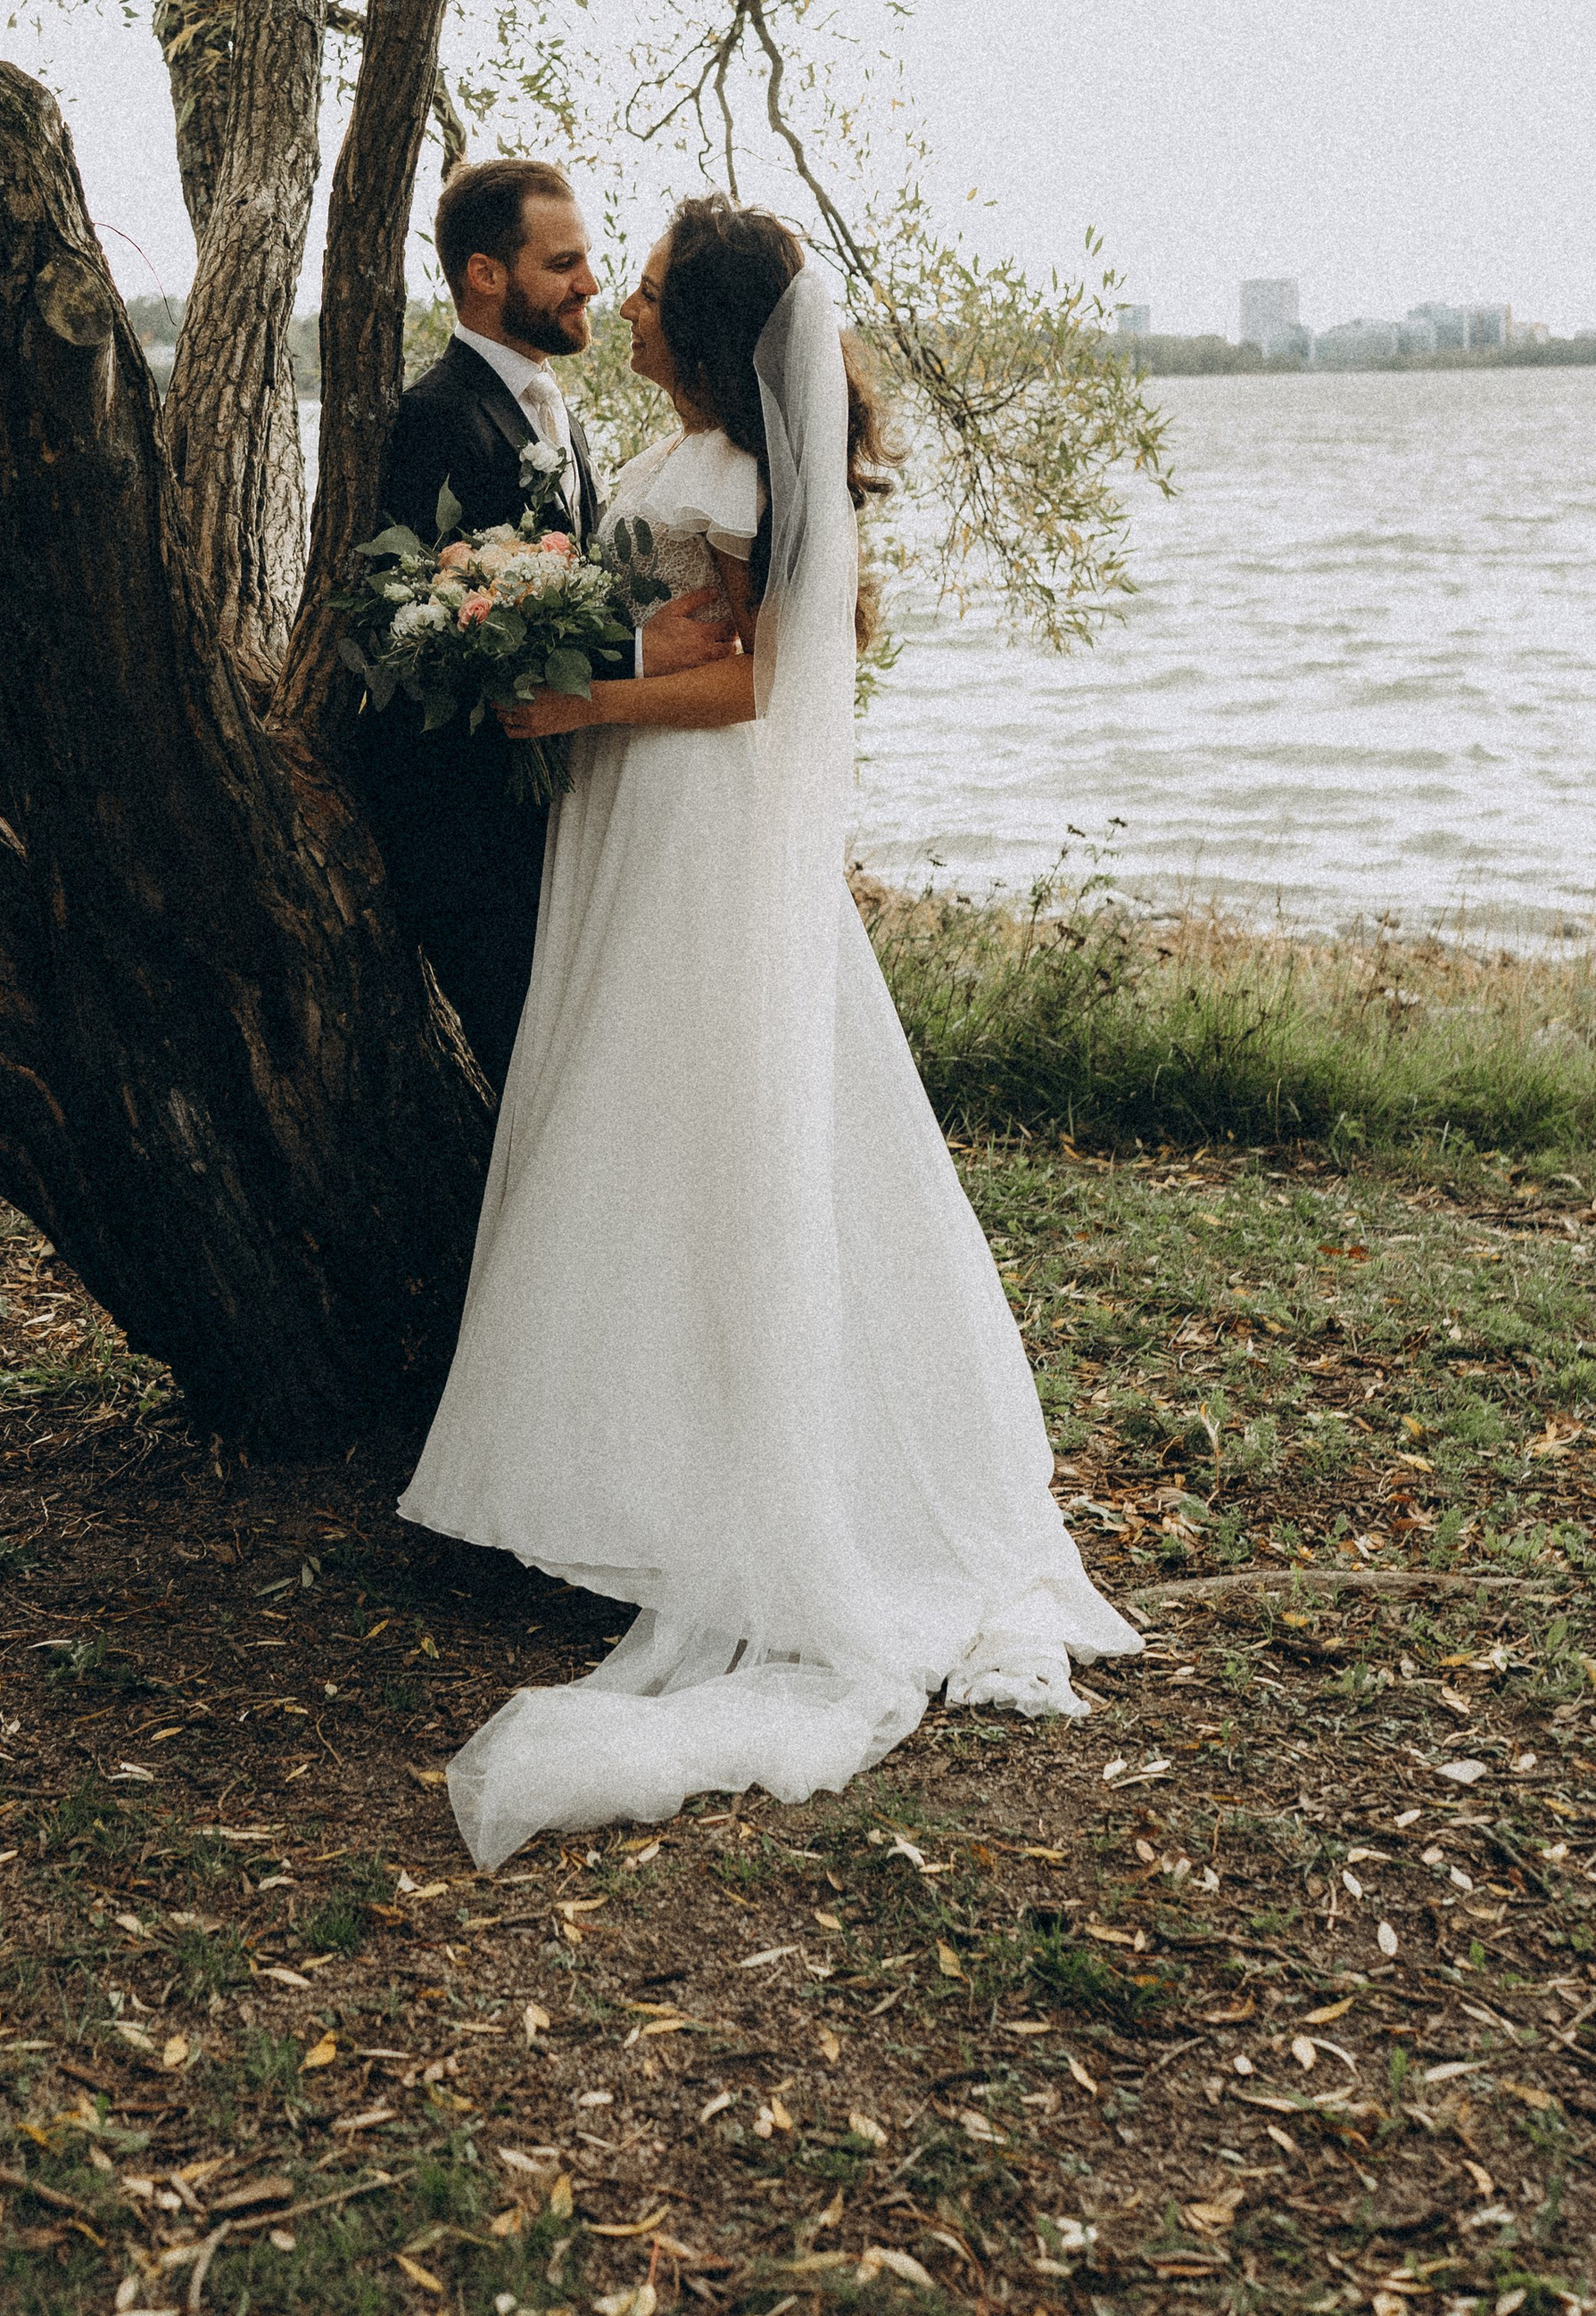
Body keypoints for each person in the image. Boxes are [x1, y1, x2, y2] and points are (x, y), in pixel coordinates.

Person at [399, 195, 1142, 1869]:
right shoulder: (678, 459)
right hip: (637, 816)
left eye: (653, 291)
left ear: (719, 333)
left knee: (687, 1110)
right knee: (628, 1115)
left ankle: (710, 1485)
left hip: (693, 815)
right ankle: (612, 1475)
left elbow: (747, 684)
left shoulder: (735, 476)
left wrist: (571, 696)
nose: (631, 309)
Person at [356, 157, 732, 1091]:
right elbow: (428, 630)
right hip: (473, 830)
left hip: (555, 808)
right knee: (543, 1074)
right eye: (562, 264)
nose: (591, 284)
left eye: (590, 260)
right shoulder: (435, 417)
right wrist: (641, 655)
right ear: (486, 275)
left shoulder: (549, 408)